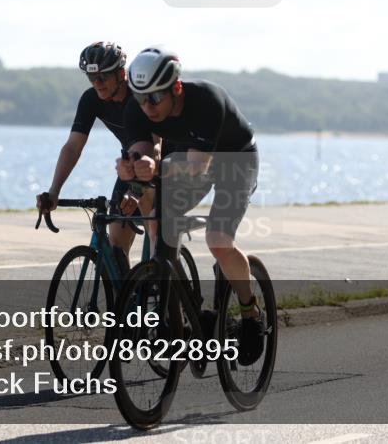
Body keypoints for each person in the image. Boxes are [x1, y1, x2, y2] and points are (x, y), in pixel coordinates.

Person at [116, 45, 265, 365]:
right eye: (140, 97)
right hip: (186, 160)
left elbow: (197, 166)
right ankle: (186, 315)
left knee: (218, 240)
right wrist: (132, 168)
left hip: (235, 161)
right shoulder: (137, 109)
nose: (147, 106)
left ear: (176, 88)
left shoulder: (207, 101)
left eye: (155, 97)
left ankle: (250, 312)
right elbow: (144, 154)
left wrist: (155, 168)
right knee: (158, 226)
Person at [37, 41, 143, 272]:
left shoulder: (139, 96)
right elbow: (72, 147)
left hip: (161, 161)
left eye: (103, 77)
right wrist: (54, 191)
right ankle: (129, 293)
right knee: (116, 245)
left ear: (121, 74)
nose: (97, 83)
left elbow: (155, 146)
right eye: (91, 77)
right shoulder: (91, 99)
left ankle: (165, 286)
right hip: (130, 165)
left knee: (159, 241)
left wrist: (138, 190)